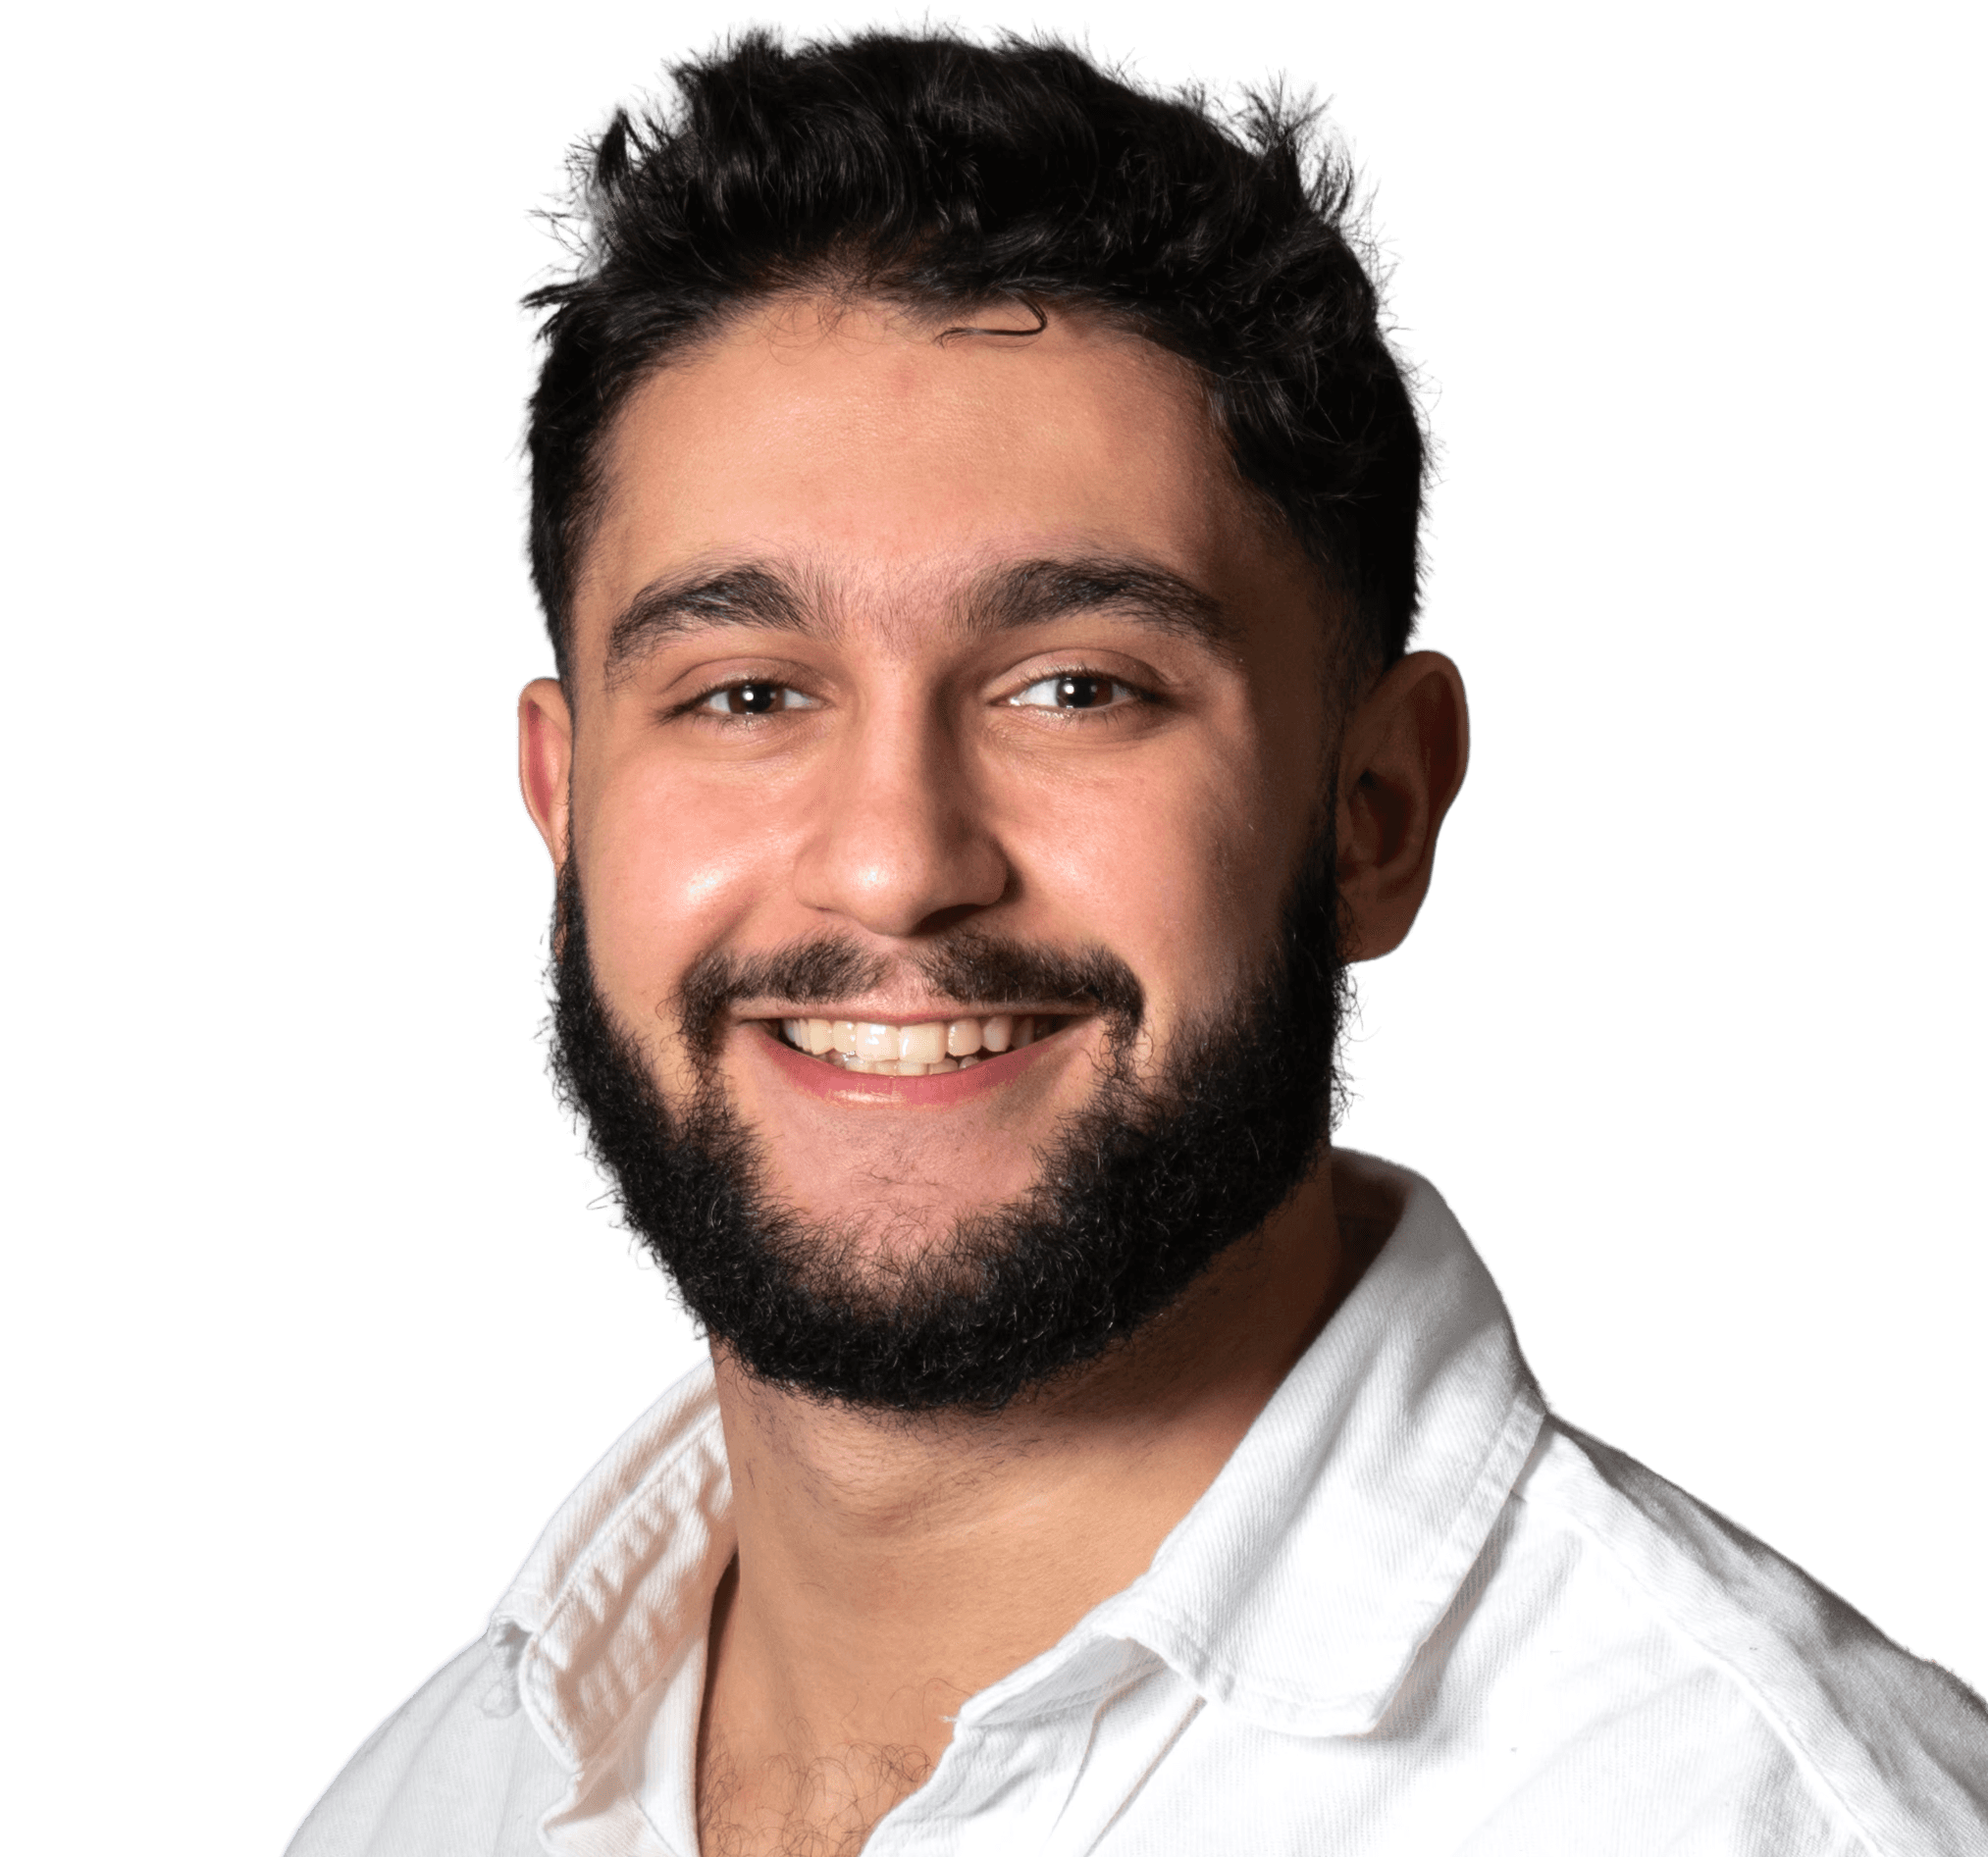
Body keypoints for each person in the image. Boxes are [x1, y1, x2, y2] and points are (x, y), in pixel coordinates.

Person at [286, 19, 1987, 1856]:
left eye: (1074, 685)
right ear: (564, 807)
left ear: (1376, 812)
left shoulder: (1755, 1812)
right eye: (744, 694)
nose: (889, 867)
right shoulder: (423, 1798)